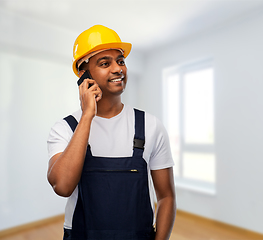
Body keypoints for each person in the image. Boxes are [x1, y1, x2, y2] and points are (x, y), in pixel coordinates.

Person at [47, 25, 176, 240]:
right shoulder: (65, 129)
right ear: (83, 74)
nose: (118, 69)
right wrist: (87, 115)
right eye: (105, 63)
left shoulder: (151, 126)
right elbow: (62, 186)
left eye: (121, 61)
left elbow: (166, 197)